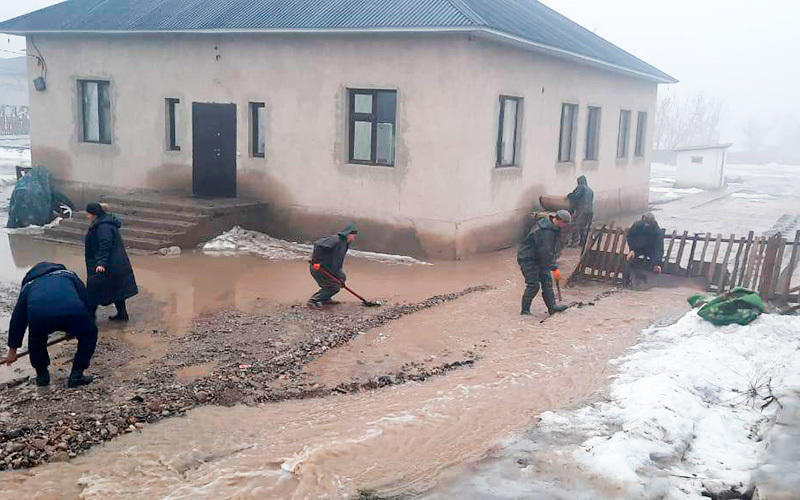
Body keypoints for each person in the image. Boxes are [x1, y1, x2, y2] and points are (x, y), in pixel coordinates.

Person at [3, 262, 97, 388]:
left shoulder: (28, 286)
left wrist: (12, 350)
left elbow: (18, 319)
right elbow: (87, 301)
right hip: (73, 312)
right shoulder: (69, 275)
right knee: (89, 334)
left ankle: (42, 377)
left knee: (36, 340)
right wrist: (82, 325)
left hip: (40, 317)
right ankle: (76, 375)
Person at [84, 202, 138, 321]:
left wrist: (101, 263)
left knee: (93, 291)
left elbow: (105, 245)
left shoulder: (103, 227)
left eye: (87, 213)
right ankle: (122, 315)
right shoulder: (105, 222)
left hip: (107, 265)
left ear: (93, 214)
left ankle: (89, 319)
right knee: (117, 290)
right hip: (114, 264)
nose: (86, 215)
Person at [517, 210, 572, 316]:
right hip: (528, 259)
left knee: (547, 283)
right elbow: (544, 251)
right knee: (533, 285)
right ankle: (525, 311)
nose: (565, 226)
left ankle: (552, 307)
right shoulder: (545, 231)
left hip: (540, 259)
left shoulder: (553, 227)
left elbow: (550, 251)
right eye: (565, 223)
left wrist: (552, 263)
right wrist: (554, 267)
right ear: (559, 220)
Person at [308, 223, 358, 308]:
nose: (354, 238)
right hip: (320, 268)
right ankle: (314, 300)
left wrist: (339, 274)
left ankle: (326, 298)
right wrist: (316, 262)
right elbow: (318, 244)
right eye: (352, 235)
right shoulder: (336, 240)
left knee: (342, 278)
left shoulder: (345, 243)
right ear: (347, 234)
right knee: (333, 287)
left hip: (331, 268)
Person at [567, 175, 594, 249]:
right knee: (584, 227)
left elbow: (575, 196)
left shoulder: (581, 187)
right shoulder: (590, 190)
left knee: (575, 225)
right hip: (590, 211)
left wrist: (569, 195)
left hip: (582, 210)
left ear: (580, 181)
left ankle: (574, 242)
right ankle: (583, 242)